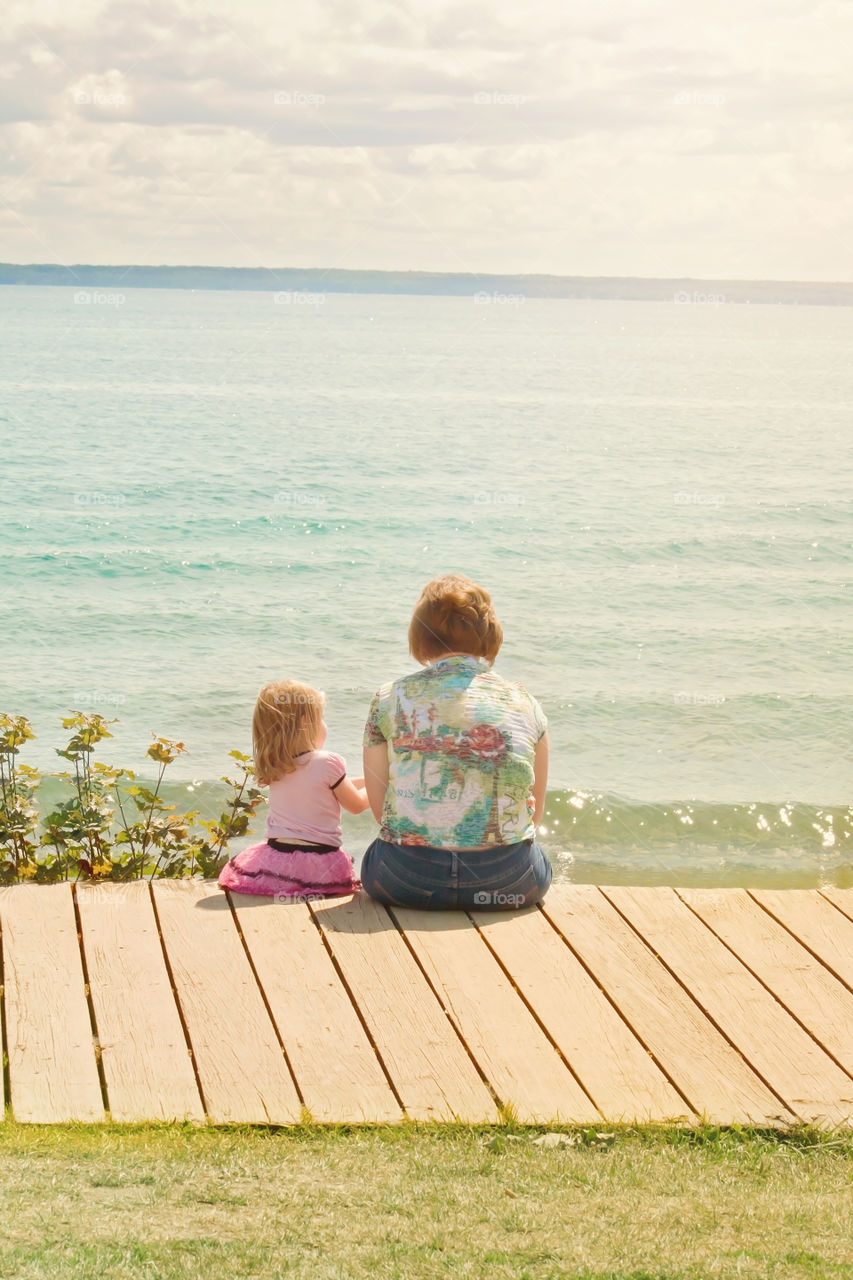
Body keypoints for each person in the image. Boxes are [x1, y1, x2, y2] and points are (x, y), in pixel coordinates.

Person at [361, 574, 552, 909]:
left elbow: (381, 812)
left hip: (404, 877)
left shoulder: (389, 697)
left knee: (374, 856)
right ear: (490, 635)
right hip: (510, 879)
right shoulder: (525, 701)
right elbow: (532, 817)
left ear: (420, 636)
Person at [218, 679, 369, 899]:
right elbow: (356, 804)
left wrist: (366, 780)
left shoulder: (277, 764)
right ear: (307, 723)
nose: (325, 724)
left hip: (277, 858)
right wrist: (383, 783)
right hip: (319, 862)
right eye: (322, 719)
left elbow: (328, 789)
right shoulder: (328, 762)